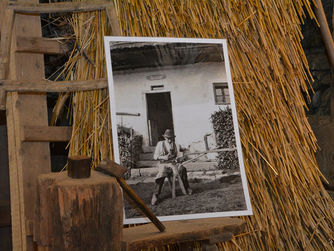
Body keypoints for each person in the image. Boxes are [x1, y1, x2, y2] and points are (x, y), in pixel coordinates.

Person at [151, 129, 192, 206]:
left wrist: (180, 159)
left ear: (173, 138)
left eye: (171, 138)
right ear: (165, 138)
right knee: (161, 174)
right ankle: (155, 195)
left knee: (183, 169)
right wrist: (164, 157)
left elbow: (179, 156)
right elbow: (155, 157)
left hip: (174, 164)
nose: (169, 140)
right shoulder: (160, 144)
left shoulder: (176, 144)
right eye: (168, 138)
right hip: (164, 164)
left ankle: (187, 187)